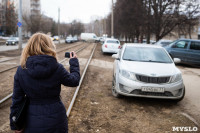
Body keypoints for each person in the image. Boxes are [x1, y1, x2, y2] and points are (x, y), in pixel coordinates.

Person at [10, 33, 80, 133]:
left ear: (29, 47)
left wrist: (15, 125)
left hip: (31, 120)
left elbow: (17, 100)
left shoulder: (21, 70)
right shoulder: (57, 67)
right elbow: (74, 81)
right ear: (49, 47)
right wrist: (74, 63)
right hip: (57, 119)